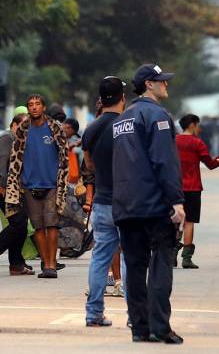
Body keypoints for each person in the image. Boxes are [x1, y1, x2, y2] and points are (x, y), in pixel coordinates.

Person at [113, 64, 185, 344]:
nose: (166, 84)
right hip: (154, 206)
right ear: (148, 85)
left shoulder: (123, 119)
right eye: (161, 81)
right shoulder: (157, 116)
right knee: (161, 264)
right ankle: (161, 327)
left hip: (126, 206)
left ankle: (140, 328)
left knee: (135, 267)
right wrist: (177, 201)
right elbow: (164, 161)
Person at [5, 94, 69, 279]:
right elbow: (14, 158)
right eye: (30, 105)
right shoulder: (22, 130)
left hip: (51, 184)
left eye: (37, 104)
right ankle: (46, 263)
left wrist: (62, 181)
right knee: (38, 227)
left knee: (52, 225)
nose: (34, 107)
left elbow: (64, 157)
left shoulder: (55, 128)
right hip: (29, 184)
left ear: (43, 107)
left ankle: (52, 265)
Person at [83, 75, 127, 328]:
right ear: (122, 97)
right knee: (130, 256)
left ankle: (94, 314)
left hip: (101, 200)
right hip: (126, 200)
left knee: (100, 258)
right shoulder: (127, 124)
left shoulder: (92, 128)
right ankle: (136, 316)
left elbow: (89, 165)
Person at [176, 113, 219, 268]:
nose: (200, 129)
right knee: (189, 222)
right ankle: (186, 258)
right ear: (192, 125)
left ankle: (171, 254)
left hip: (175, 187)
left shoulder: (173, 141)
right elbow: (210, 164)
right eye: (198, 125)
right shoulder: (197, 143)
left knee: (176, 221)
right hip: (193, 188)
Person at [0, 113, 33, 276]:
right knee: (17, 224)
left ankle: (17, 265)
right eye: (23, 125)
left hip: (16, 189)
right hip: (5, 188)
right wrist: (2, 183)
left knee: (21, 225)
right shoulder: (6, 138)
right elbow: (1, 161)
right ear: (14, 125)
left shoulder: (19, 140)